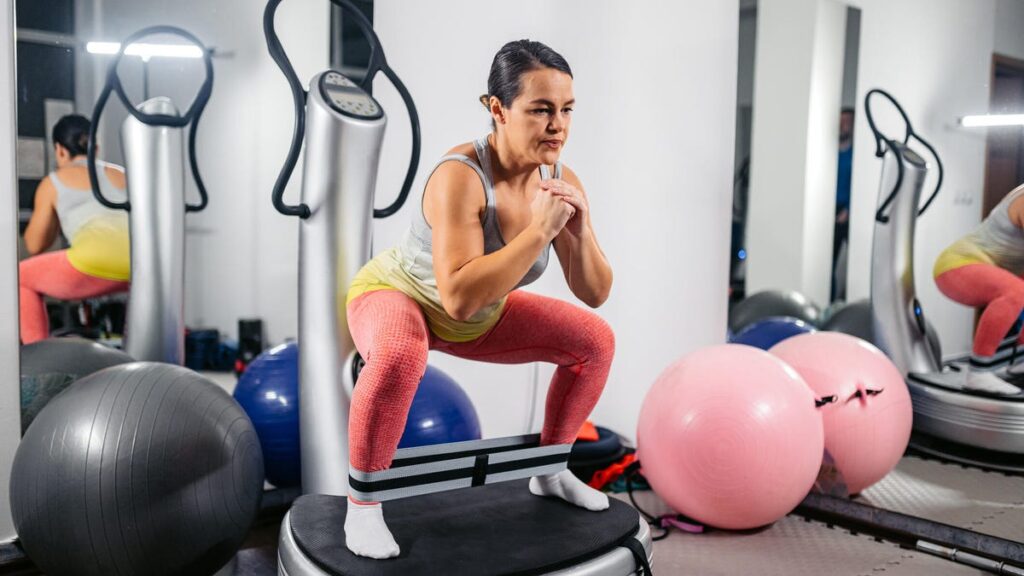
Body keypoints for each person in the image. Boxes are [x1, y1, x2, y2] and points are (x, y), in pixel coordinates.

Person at [342, 39, 615, 559]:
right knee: (401, 353)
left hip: (480, 311)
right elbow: (458, 298)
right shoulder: (459, 177)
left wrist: (577, 232)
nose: (558, 125)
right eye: (540, 110)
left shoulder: (560, 179)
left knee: (594, 342)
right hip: (398, 295)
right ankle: (364, 505)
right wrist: (538, 234)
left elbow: (596, 293)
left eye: (566, 110)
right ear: (497, 109)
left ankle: (551, 470)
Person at [19, 114, 130, 343]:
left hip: (93, 266)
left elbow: (34, 245)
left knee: (19, 276)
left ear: (59, 150)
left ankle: (38, 367)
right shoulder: (121, 174)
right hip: (139, 267)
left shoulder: (53, 182)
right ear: (95, 147)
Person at [934, 183, 1024, 395]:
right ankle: (978, 373)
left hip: (995, 269)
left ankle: (1021, 359)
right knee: (1016, 292)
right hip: (957, 265)